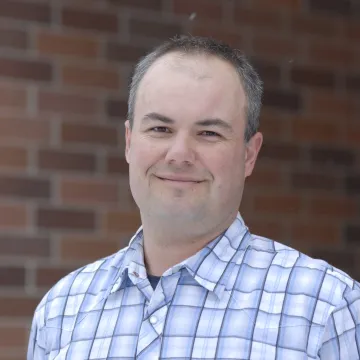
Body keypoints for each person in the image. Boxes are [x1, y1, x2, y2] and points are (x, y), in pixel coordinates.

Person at [28, 35, 360, 360]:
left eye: (209, 133)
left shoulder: (326, 310)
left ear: (249, 154)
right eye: (160, 129)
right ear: (129, 141)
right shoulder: (61, 310)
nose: (180, 154)